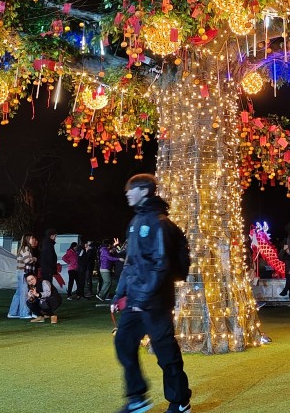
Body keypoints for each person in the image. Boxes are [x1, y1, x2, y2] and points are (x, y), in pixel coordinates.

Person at [111, 173, 192, 413]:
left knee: (165, 352)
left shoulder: (159, 223)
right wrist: (119, 295)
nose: (127, 193)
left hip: (155, 301)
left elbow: (161, 264)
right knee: (124, 342)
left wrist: (144, 298)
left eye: (131, 189)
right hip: (137, 299)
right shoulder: (135, 222)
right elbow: (130, 263)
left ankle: (180, 402)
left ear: (145, 191)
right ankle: (137, 398)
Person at [8, 233, 37, 318]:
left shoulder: (24, 248)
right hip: (23, 273)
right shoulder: (25, 248)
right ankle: (24, 313)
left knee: (18, 293)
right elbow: (27, 260)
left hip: (21, 272)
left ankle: (12, 312)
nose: (33, 240)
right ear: (28, 239)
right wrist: (34, 259)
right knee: (24, 293)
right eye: (32, 238)